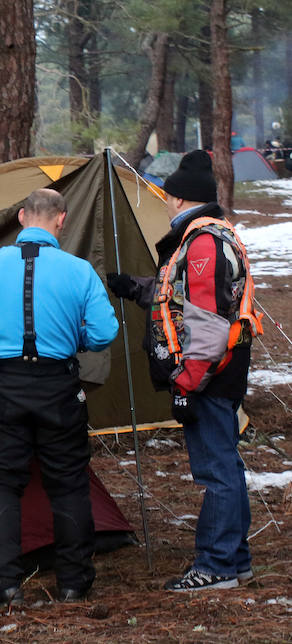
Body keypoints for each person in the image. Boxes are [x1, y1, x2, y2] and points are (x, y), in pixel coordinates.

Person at [107, 150, 261, 591]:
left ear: (176, 198)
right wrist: (136, 287)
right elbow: (182, 294)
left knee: (216, 470)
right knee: (224, 465)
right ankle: (237, 560)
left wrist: (186, 383)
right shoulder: (208, 236)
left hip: (210, 373)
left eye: (167, 194)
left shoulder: (203, 243)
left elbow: (208, 324)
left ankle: (216, 566)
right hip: (220, 370)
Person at [0, 188, 118, 608]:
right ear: (62, 220)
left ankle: (2, 586)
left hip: (4, 385)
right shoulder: (80, 271)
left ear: (20, 217)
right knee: (68, 483)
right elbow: (105, 333)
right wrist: (75, 338)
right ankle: (74, 583)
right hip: (59, 386)